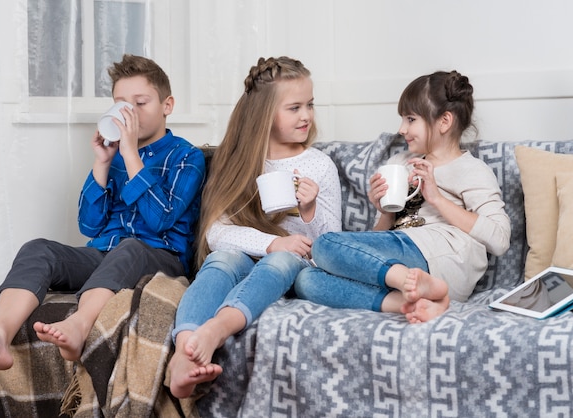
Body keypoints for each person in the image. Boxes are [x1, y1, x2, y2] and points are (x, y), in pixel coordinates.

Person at [0, 54, 206, 370]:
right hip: (105, 255)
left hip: (160, 257)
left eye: (140, 103)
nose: (129, 113)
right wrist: (102, 163)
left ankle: (79, 324)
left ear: (166, 105)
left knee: (130, 248)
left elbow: (161, 220)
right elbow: (89, 225)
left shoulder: (187, 157)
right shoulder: (112, 157)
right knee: (38, 249)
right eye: (120, 103)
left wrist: (130, 155)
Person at [167, 56, 342, 398]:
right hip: (252, 255)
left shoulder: (320, 166)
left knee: (282, 260)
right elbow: (216, 233)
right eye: (294, 107)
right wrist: (272, 243)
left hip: (294, 266)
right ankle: (182, 355)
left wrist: (308, 211)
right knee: (223, 260)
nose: (306, 115)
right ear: (264, 113)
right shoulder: (240, 161)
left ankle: (217, 329)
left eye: (310, 104)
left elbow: (330, 247)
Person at [294, 70, 511, 324]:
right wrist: (385, 210)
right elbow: (369, 252)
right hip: (406, 260)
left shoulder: (471, 170)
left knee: (323, 245)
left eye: (410, 119)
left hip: (442, 258)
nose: (401, 129)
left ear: (444, 121)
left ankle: (411, 281)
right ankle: (417, 302)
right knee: (306, 280)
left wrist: (437, 198)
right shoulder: (400, 163)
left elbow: (499, 239)